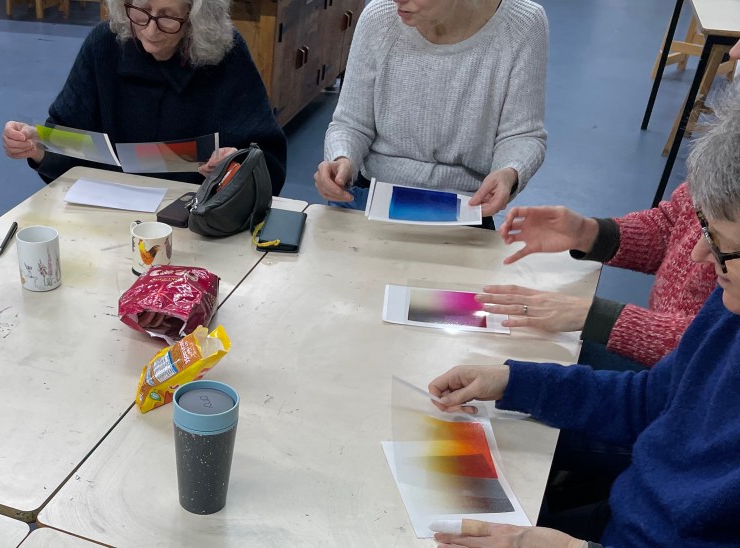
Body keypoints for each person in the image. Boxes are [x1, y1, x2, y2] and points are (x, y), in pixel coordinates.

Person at [427, 81, 740, 547]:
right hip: (629, 515)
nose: (698, 256)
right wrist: (513, 381)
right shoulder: (729, 307)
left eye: (722, 245)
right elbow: (651, 399)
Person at [1, 0, 287, 195]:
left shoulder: (226, 54)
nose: (150, 30)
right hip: (107, 210)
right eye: (141, 11)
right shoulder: (105, 44)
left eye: (168, 17)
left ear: (195, 17)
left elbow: (267, 161)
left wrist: (233, 164)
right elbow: (72, 143)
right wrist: (39, 146)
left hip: (196, 216)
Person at [314, 0, 548, 227]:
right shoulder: (380, 17)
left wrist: (508, 172)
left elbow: (522, 134)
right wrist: (342, 159)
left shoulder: (522, 23)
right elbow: (351, 124)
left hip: (466, 206)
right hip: (370, 197)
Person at [475, 183, 717, 369]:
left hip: (694, 379)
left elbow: (724, 349)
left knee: (520, 357)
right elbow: (672, 226)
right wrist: (590, 233)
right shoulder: (722, 156)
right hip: (663, 354)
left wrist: (603, 319)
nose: (696, 253)